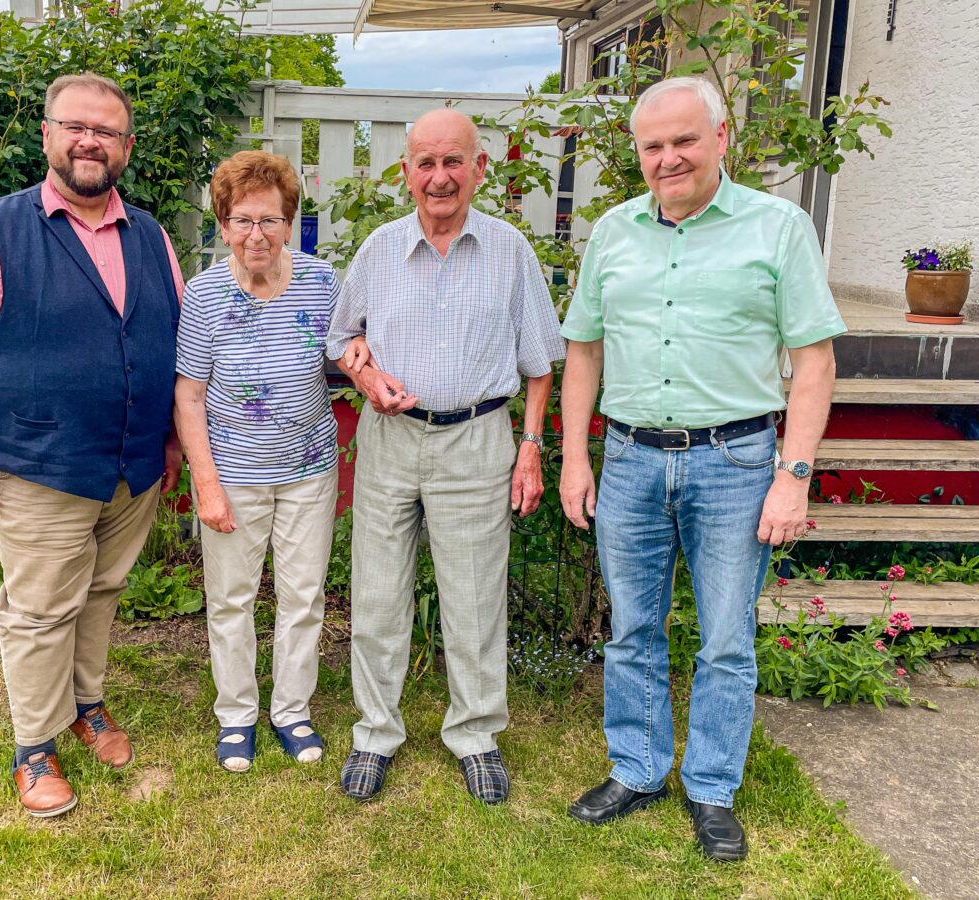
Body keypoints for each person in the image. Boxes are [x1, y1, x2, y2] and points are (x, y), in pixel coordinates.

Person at [558, 76, 844, 860]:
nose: (668, 157)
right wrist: (575, 458)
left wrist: (794, 474)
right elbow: (583, 352)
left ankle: (711, 789)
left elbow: (813, 364)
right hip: (629, 460)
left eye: (684, 140)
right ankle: (638, 769)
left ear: (722, 138)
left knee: (725, 638)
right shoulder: (613, 233)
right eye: (653, 146)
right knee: (633, 630)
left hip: (737, 461)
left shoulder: (778, 228)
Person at [0, 72, 185, 817]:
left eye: (107, 130)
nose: (90, 140)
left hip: (131, 464)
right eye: (76, 126)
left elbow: (169, 340)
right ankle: (33, 747)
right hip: (41, 463)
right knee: (37, 609)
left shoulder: (152, 236)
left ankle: (85, 703)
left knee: (100, 592)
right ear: (48, 136)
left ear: (126, 147)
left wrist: (166, 439)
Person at [326, 108, 566, 805]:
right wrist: (366, 376)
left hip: (477, 439)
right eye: (425, 163)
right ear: (405, 174)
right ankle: (375, 732)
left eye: (453, 161)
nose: (439, 177)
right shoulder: (376, 250)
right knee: (376, 596)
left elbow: (541, 364)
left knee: (474, 600)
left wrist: (530, 449)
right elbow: (341, 341)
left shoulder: (510, 251)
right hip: (391, 444)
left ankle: (476, 734)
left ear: (479, 169)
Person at [175, 151, 365, 772]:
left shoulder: (320, 282)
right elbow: (190, 394)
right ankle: (236, 715)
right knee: (231, 599)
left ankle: (291, 709)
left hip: (309, 469)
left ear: (289, 223)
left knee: (303, 596)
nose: (256, 234)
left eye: (270, 220)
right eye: (242, 221)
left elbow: (350, 351)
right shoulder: (204, 295)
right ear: (224, 225)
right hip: (232, 471)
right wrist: (206, 483)